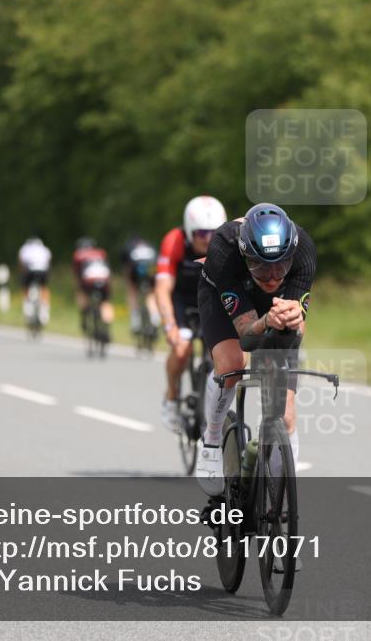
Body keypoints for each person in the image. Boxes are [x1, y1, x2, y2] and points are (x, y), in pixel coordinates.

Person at [195, 203, 315, 496]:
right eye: (261, 267)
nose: (272, 277)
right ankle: (211, 439)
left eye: (281, 267)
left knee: (285, 413)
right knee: (231, 366)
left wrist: (293, 320)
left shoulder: (304, 250)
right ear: (246, 254)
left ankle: (278, 495)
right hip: (222, 298)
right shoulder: (224, 249)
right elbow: (247, 334)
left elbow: (295, 332)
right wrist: (266, 322)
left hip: (272, 306)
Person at [155, 195, 228, 431]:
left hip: (213, 300)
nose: (207, 239)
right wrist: (169, 325)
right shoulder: (174, 241)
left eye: (214, 233)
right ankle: (171, 397)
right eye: (201, 233)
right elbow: (162, 288)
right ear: (188, 232)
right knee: (181, 349)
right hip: (182, 301)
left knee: (223, 356)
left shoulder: (229, 244)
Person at [72, 237, 113, 334]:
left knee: (81, 293)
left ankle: (84, 315)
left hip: (88, 280)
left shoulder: (78, 255)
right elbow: (108, 269)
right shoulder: (101, 253)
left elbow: (77, 275)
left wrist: (78, 287)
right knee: (105, 302)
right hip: (104, 279)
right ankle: (107, 327)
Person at [122, 236, 160, 337]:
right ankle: (155, 317)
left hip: (136, 270)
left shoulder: (130, 247)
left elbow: (126, 266)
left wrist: (128, 281)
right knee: (151, 294)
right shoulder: (151, 247)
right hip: (151, 269)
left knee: (132, 291)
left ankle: (135, 321)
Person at [18, 235, 52, 325]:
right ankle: (44, 309)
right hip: (43, 271)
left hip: (30, 271)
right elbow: (48, 260)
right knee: (44, 287)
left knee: (25, 286)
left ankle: (27, 307)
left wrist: (22, 274)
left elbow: (21, 262)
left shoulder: (25, 248)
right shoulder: (44, 248)